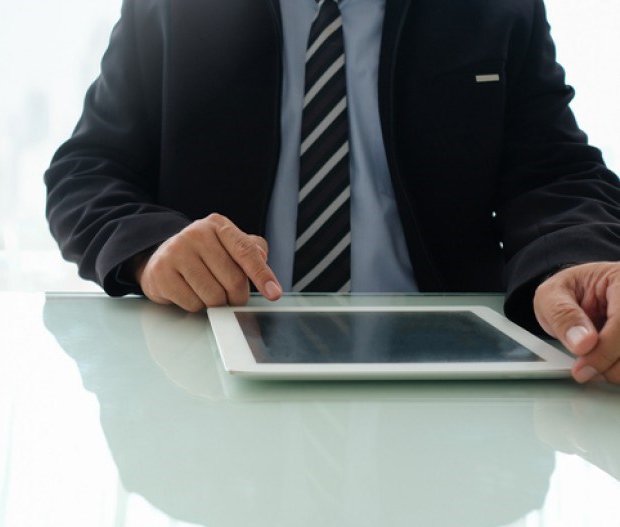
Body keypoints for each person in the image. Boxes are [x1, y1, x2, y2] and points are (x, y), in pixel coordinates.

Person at [44, 0, 620, 384]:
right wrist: (153, 248)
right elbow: (88, 170)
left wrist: (573, 260)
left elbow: (556, 172)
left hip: (453, 369)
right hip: (208, 366)